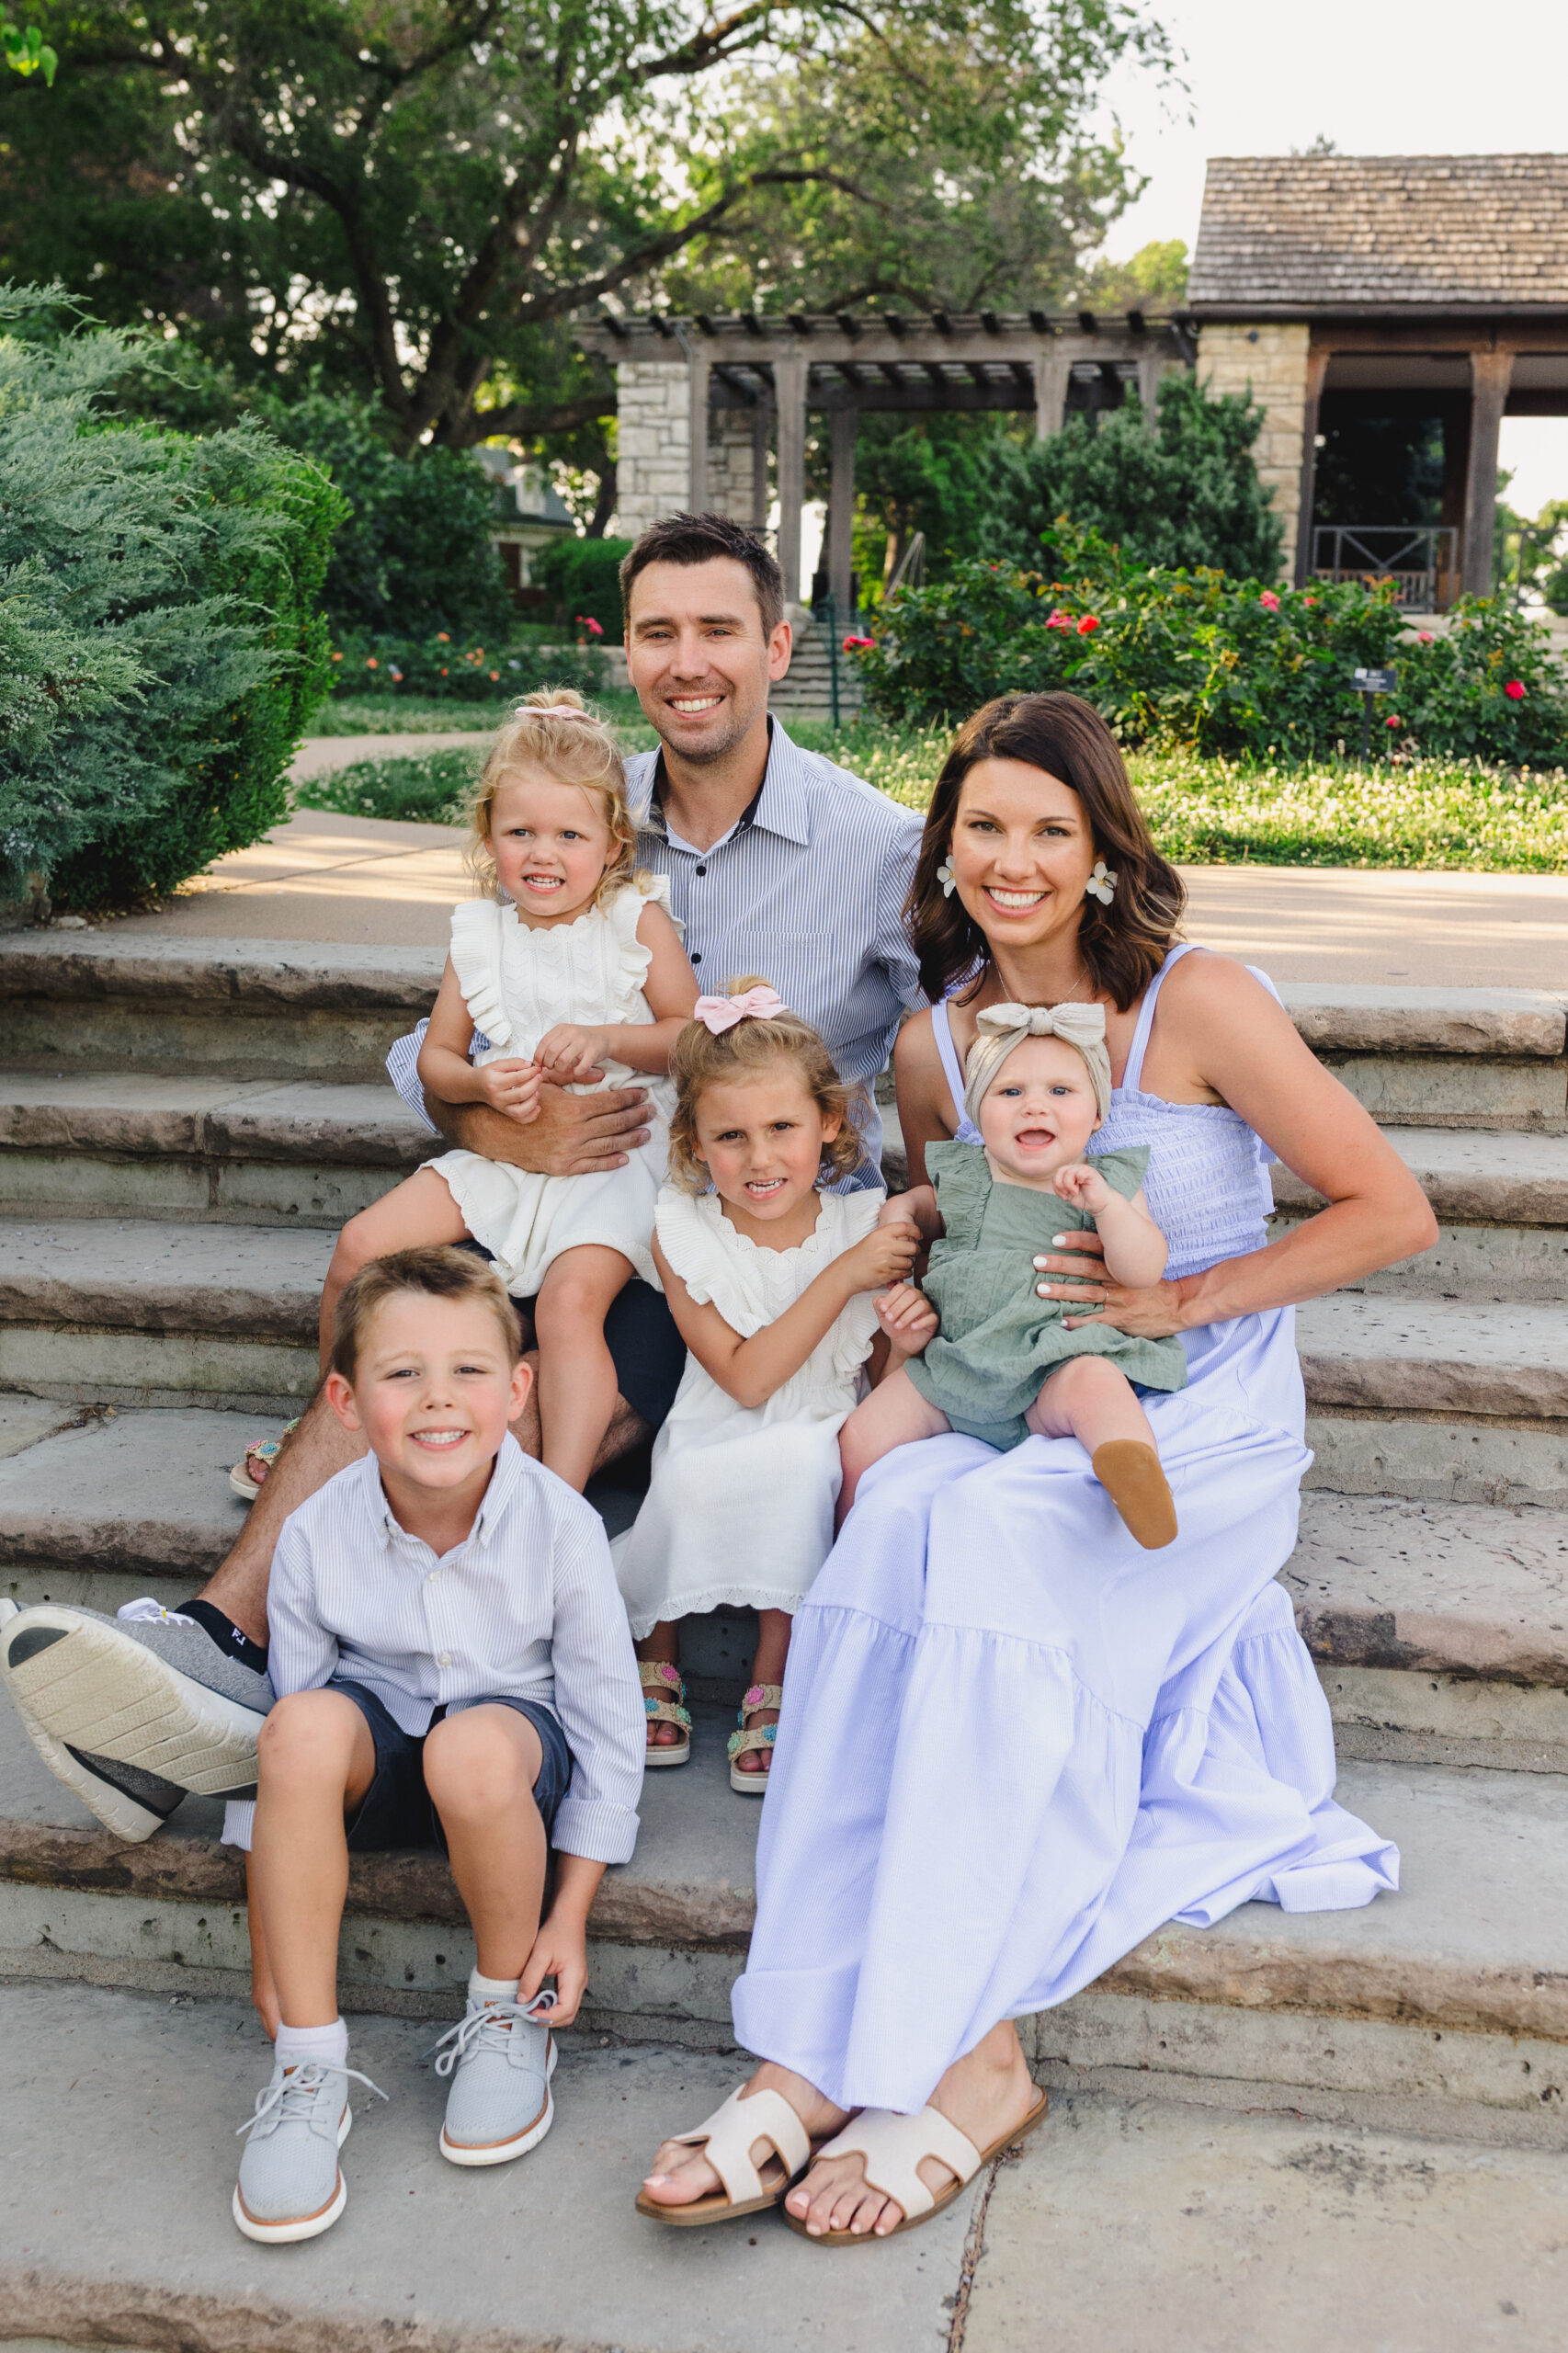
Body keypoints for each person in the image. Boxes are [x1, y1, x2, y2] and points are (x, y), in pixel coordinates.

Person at [634, 689, 1435, 2245]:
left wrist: (1178, 1297)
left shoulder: (1196, 1003)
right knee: (882, 1537)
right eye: (982, 827)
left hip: (1195, 1411)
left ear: (1100, 850)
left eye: (1046, 831)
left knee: (989, 1547)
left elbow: (1388, 1209)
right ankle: (807, 2048)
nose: (1011, 861)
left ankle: (969, 2056)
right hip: (1004, 1398)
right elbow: (953, 1229)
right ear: (942, 850)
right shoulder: (938, 1046)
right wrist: (918, 1306)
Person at [0, 510, 923, 1840]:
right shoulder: (574, 806)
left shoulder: (874, 849)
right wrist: (501, 1134)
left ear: (778, 644)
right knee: (414, 1332)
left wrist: (922, 1251)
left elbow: (961, 1052)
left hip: (722, 1258)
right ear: (630, 657)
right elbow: (436, 1047)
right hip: (534, 1189)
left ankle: (284, 1718)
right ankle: (217, 1643)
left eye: (719, 628)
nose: (688, 659)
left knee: (476, 1395)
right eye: (658, 631)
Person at [229, 1245, 643, 2243]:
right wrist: (263, 1934)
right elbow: (290, 1740)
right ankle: (308, 2065)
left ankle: (503, 2012)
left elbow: (608, 1728)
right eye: (400, 1372)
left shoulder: (561, 1525)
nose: (436, 1400)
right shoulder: (315, 1532)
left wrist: (569, 1915)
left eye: (467, 1369)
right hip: (374, 1753)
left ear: (518, 1386)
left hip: (505, 1762)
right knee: (303, 1720)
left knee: (470, 1748)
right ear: (343, 1397)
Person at [314, 690, 698, 1493]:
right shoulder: (480, 936)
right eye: (520, 831)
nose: (542, 854)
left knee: (566, 1305)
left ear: (613, 842)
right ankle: (329, 1420)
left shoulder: (635, 921)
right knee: (358, 1245)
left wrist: (606, 1039)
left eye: (569, 834)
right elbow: (438, 1061)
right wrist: (482, 1082)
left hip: (614, 1156)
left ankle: (556, 1499)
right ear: (488, 834)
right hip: (511, 1142)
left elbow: (689, 1036)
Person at [613, 985, 921, 1788]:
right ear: (694, 1142)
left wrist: (904, 1338)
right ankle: (660, 1652)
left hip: (819, 1421)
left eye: (783, 1128)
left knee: (802, 1473)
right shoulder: (684, 1230)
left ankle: (773, 1677)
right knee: (680, 1474)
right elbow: (744, 1379)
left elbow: (878, 1373)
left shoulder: (868, 1225)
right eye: (731, 1136)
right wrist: (842, 1277)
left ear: (831, 1123)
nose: (760, 1159)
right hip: (714, 1416)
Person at [838, 1002, 1185, 1550]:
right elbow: (920, 1207)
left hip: (1053, 1361)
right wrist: (897, 1216)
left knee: (1098, 1385)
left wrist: (1109, 1210)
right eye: (1011, 1092)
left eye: (1061, 1092)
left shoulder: (1107, 1181)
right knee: (860, 1436)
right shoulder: (964, 1174)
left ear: (1097, 1113)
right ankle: (848, 1543)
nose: (1034, 1108)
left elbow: (1144, 1270)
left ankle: (1132, 1466)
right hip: (953, 1364)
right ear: (978, 1113)